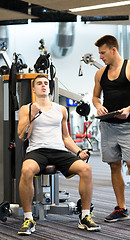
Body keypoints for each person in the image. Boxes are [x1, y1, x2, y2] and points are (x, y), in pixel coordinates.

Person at [17, 74, 101, 235]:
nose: (43, 85)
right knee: (26, 170)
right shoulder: (26, 109)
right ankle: (28, 218)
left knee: (86, 170)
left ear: (49, 88)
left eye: (46, 83)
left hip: (59, 150)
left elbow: (66, 137)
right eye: (39, 83)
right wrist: (32, 116)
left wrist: (78, 151)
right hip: (37, 151)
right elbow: (22, 136)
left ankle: (85, 216)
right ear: (33, 89)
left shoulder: (60, 109)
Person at [92, 35, 130, 228]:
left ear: (113, 50)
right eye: (99, 53)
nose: (100, 57)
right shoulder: (100, 73)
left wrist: (129, 109)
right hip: (107, 126)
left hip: (128, 126)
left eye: (102, 53)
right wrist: (98, 106)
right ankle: (121, 208)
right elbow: (95, 96)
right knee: (114, 166)